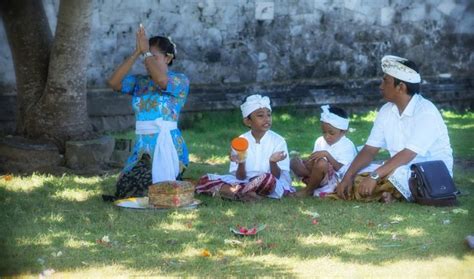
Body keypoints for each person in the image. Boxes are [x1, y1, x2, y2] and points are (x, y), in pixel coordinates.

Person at [335, 55, 453, 203]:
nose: (381, 86)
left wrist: (374, 176)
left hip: (430, 173)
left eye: (385, 81)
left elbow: (408, 154)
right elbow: (370, 150)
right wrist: (348, 176)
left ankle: (391, 193)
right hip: (396, 168)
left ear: (401, 87)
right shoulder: (386, 110)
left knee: (395, 175)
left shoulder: (426, 111)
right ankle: (389, 193)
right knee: (354, 172)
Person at [106, 25, 189, 199]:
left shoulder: (179, 80)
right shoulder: (140, 82)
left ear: (167, 58)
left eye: (153, 57)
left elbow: (161, 80)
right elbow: (113, 83)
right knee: (125, 188)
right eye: (144, 58)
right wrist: (137, 53)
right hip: (142, 147)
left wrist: (146, 54)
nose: (146, 62)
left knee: (152, 190)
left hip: (169, 147)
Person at [195, 94, 295, 201]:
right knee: (205, 179)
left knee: (268, 179)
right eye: (260, 116)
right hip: (244, 181)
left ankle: (238, 194)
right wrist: (241, 162)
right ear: (248, 121)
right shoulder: (240, 141)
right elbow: (240, 177)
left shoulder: (278, 140)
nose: (266, 119)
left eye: (269, 115)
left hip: (271, 182)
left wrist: (273, 162)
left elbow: (277, 176)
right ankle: (247, 194)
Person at [290, 105, 357, 197]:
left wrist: (327, 155)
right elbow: (314, 158)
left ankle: (308, 190)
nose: (327, 136)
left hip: (336, 179)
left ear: (343, 132)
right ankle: (313, 179)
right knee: (294, 161)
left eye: (331, 133)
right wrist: (309, 161)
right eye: (324, 132)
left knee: (322, 163)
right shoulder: (320, 141)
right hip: (320, 173)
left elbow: (343, 169)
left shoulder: (347, 145)